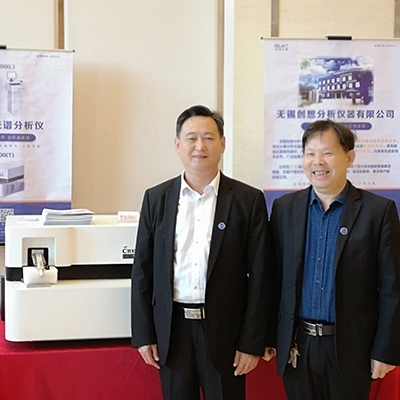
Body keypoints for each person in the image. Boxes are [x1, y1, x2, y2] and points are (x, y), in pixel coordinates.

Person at [131, 105, 275, 400]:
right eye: (191, 138)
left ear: (222, 144)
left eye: (209, 138)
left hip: (226, 332)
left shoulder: (247, 200)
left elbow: (262, 275)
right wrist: (144, 334)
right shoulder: (156, 199)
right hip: (172, 331)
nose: (200, 146)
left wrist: (251, 342)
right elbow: (143, 270)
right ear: (177, 145)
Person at [269, 119, 400, 400]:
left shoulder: (378, 212)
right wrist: (269, 336)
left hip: (351, 348)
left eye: (327, 153)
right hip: (298, 346)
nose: (318, 162)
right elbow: (273, 277)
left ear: (349, 158)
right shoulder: (284, 209)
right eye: (310, 153)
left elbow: (392, 289)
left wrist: (385, 350)